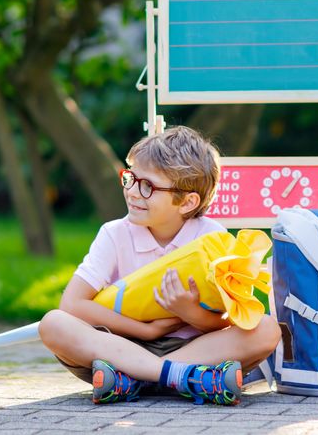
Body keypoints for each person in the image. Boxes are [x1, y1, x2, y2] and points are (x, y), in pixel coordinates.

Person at [39, 126, 281, 405]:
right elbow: (72, 304)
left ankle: (131, 380)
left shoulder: (213, 239)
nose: (132, 192)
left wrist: (190, 313)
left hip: (192, 348)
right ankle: (186, 379)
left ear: (188, 202)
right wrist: (146, 331)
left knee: (266, 330)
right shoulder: (115, 233)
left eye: (147, 186)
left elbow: (230, 319)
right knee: (52, 324)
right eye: (130, 178)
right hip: (121, 345)